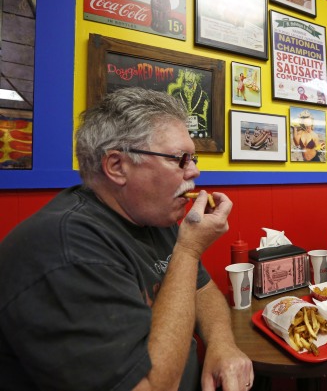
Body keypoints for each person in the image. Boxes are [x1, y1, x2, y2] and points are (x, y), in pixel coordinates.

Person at [0, 88, 253, 390]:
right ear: (117, 166)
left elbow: (202, 290)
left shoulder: (152, 214)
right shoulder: (65, 251)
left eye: (193, 158)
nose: (195, 170)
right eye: (181, 159)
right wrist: (188, 249)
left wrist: (222, 344)